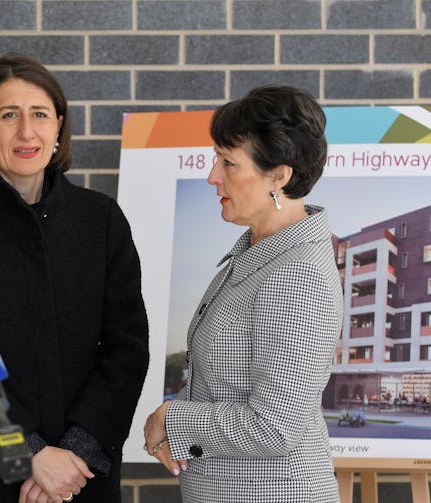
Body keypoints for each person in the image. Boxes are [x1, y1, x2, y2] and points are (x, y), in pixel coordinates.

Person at [0, 53, 149, 503]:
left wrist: (73, 454)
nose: (26, 132)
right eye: (8, 115)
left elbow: (127, 346)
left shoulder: (101, 220)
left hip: (83, 477)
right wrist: (30, 453)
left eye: (40, 115)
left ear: (58, 125)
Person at [144, 84, 342, 502]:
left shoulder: (297, 274)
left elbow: (274, 427)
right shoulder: (258, 252)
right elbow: (219, 383)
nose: (212, 176)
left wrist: (172, 419)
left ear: (279, 176)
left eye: (228, 163)